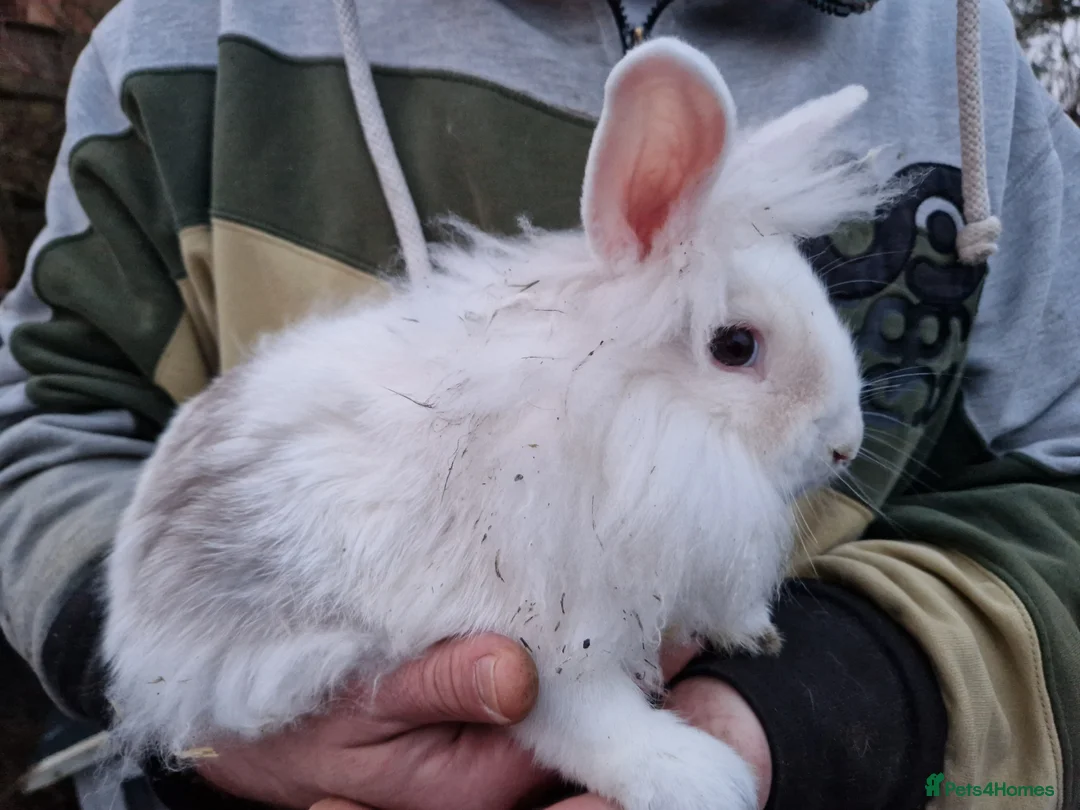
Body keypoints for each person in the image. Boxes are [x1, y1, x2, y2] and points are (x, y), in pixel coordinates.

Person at [0, 0, 1077, 808]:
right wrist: (219, 717)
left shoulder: (963, 53)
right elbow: (45, 415)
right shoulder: (182, 39)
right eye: (738, 349)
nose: (842, 437)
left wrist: (830, 703)